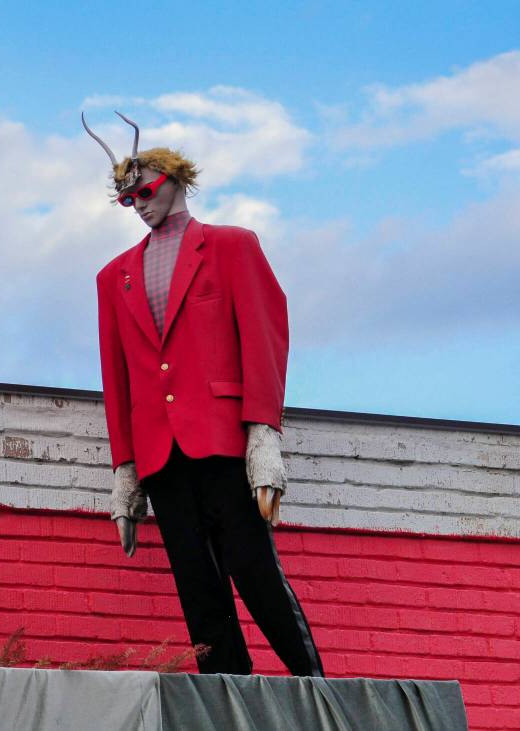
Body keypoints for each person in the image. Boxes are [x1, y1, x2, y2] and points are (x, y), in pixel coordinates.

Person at [86, 111, 323, 676]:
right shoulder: (111, 276)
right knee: (197, 583)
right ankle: (228, 694)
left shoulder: (232, 246)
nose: (139, 205)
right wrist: (125, 470)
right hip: (159, 452)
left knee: (253, 566)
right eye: (128, 200)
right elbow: (115, 376)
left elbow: (266, 337)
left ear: (176, 180)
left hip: (220, 439)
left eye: (145, 191)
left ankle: (312, 683)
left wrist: (263, 433)